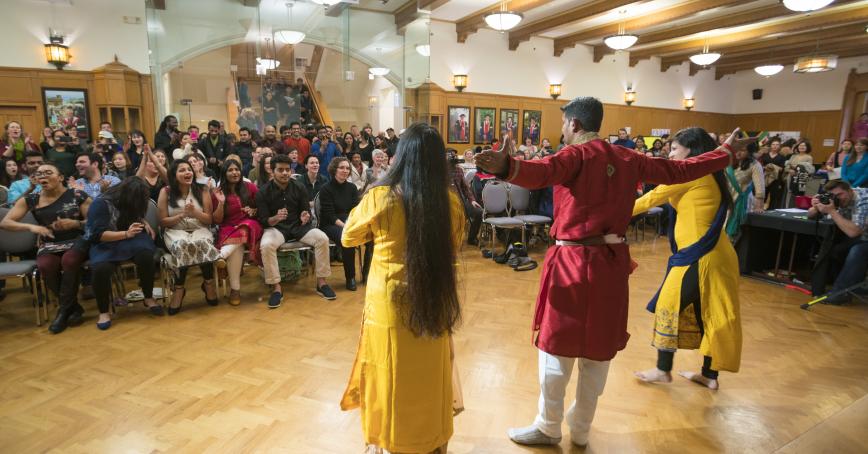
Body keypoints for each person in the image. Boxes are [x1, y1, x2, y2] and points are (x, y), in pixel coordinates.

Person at [474, 96, 747, 448]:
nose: (563, 131)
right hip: (610, 266)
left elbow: (539, 173)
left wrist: (506, 167)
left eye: (564, 125)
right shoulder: (627, 156)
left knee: (556, 348)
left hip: (572, 263)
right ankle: (582, 428)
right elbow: (680, 170)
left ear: (573, 124)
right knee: (597, 349)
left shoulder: (574, 155)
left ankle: (549, 425)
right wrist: (724, 151)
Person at [340, 123, 465, 454]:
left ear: (400, 159)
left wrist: (377, 185)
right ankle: (432, 440)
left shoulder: (381, 198)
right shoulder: (449, 204)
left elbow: (348, 237)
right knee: (430, 373)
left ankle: (392, 442)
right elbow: (454, 245)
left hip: (389, 304)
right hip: (433, 297)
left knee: (390, 373)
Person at [631, 127, 742, 391]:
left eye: (674, 149)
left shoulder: (688, 174)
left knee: (668, 304)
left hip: (701, 256)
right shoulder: (709, 173)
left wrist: (604, 214)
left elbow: (647, 200)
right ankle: (709, 375)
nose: (670, 154)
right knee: (710, 313)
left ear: (691, 151)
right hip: (717, 254)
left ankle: (662, 370)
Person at [0, 162, 90, 334]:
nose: (43, 176)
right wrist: (32, 228)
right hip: (50, 242)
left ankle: (63, 311)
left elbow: (94, 223)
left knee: (69, 260)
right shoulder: (31, 199)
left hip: (77, 239)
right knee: (45, 265)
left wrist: (76, 223)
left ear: (61, 177)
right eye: (39, 174)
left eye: (48, 172)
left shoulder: (77, 195)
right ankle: (73, 307)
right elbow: (5, 222)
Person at [257, 154, 335, 307]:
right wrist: (275, 218)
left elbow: (305, 209)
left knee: (322, 238)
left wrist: (305, 216)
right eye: (280, 170)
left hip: (298, 227)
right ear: (272, 171)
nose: (285, 173)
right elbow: (263, 220)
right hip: (276, 229)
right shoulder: (263, 191)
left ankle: (321, 283)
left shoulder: (299, 186)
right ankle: (277, 288)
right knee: (266, 245)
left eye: (288, 170)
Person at [85, 177, 162, 330]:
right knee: (101, 269)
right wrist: (126, 234)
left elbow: (135, 215)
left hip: (130, 235)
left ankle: (148, 297)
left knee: (146, 255)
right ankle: (104, 311)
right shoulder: (100, 204)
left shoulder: (129, 200)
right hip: (107, 240)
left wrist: (144, 223)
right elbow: (97, 235)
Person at [157, 159, 220, 314]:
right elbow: (163, 221)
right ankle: (179, 289)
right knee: (182, 245)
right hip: (175, 231)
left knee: (201, 243)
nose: (187, 172)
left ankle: (208, 284)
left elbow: (209, 220)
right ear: (174, 174)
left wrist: (194, 213)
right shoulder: (166, 191)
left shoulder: (203, 189)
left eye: (189, 169)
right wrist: (182, 215)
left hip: (200, 228)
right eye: (182, 170)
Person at [808, 180, 867, 304]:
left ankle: (840, 293)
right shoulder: (836, 200)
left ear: (850, 191)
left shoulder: (863, 199)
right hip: (862, 236)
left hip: (861, 237)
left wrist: (832, 211)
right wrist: (816, 207)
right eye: (834, 196)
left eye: (840, 195)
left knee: (857, 251)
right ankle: (854, 285)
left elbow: (854, 232)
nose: (837, 199)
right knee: (834, 249)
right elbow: (810, 215)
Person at [213, 159, 262, 306]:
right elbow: (217, 219)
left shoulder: (249, 187)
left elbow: (263, 206)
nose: (234, 173)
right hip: (228, 228)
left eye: (237, 169)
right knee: (238, 247)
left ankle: (220, 256)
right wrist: (221, 203)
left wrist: (254, 210)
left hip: (250, 224)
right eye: (230, 170)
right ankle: (235, 289)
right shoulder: (218, 192)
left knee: (245, 227)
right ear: (224, 173)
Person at [318, 157, 370, 290]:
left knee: (372, 236)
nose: (345, 170)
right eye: (342, 167)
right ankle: (350, 277)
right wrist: (346, 226)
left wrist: (355, 223)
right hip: (331, 224)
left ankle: (367, 273)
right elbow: (329, 215)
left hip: (350, 222)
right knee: (347, 237)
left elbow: (355, 209)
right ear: (334, 169)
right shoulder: (326, 189)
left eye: (347, 168)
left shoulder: (352, 188)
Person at [725, 142, 765, 239]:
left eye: (742, 150)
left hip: (742, 200)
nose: (738, 153)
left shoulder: (755, 165)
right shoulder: (727, 161)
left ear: (749, 152)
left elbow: (760, 187)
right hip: (726, 199)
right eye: (736, 150)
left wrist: (758, 206)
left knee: (737, 231)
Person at [448, 149, 482, 245]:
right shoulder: (439, 171)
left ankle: (472, 238)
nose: (453, 158)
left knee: (479, 212)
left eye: (454, 156)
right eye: (450, 156)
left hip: (461, 201)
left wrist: (472, 200)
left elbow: (465, 188)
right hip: (446, 202)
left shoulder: (459, 170)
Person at [760, 136, 787, 209]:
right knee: (763, 195)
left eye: (777, 145)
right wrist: (765, 167)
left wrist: (773, 167)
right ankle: (759, 209)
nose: (775, 146)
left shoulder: (782, 157)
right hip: (764, 177)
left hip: (776, 179)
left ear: (779, 146)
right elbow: (759, 165)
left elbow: (782, 169)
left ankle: (771, 211)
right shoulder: (764, 155)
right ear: (770, 146)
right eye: (773, 144)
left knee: (773, 196)